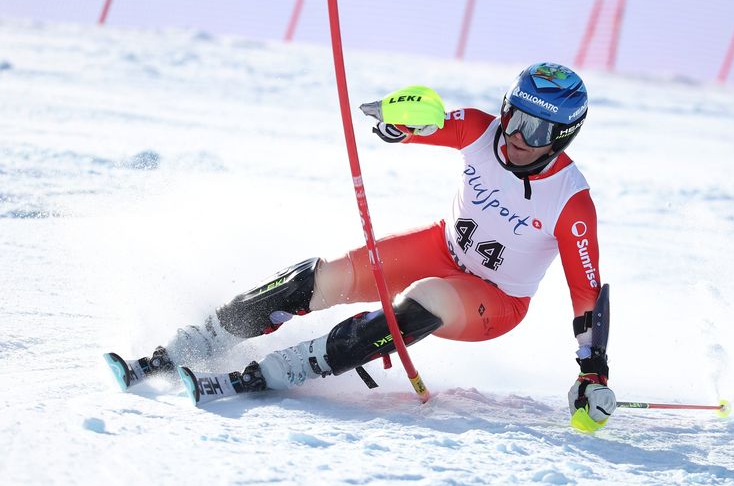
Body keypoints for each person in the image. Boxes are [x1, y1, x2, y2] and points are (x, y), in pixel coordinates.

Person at [105, 62, 617, 432]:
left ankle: (275, 373)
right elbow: (430, 125)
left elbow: (586, 294)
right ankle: (201, 339)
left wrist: (592, 373)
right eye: (514, 116)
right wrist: (398, 126)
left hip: (495, 300)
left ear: (562, 136)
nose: (517, 136)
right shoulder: (483, 130)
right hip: (440, 247)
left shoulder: (571, 201)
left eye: (537, 129)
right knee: (323, 277)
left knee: (423, 300)